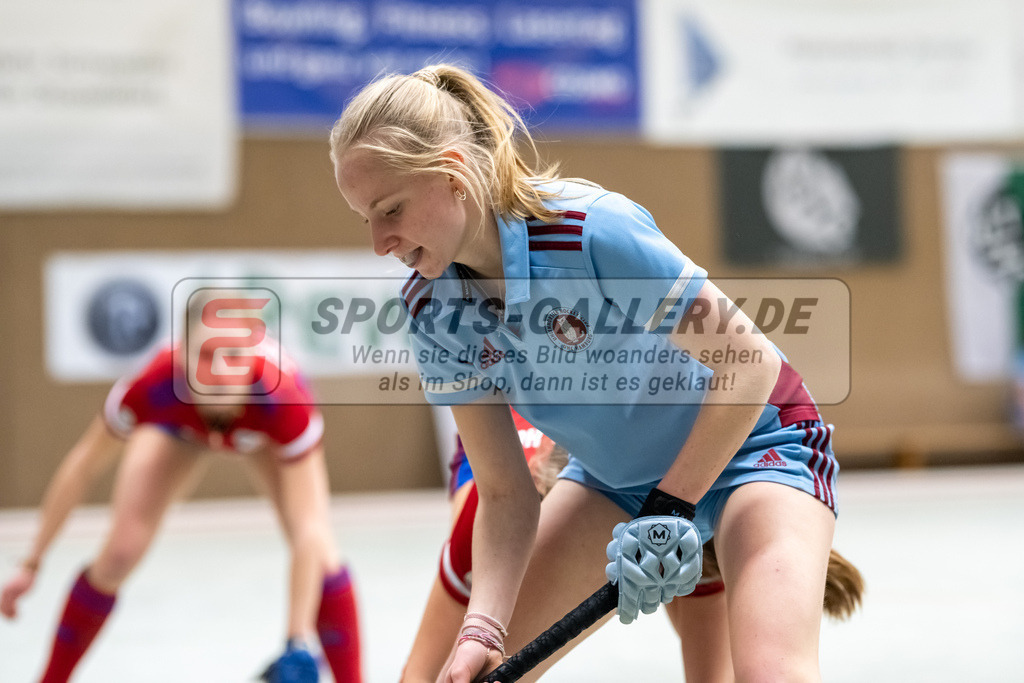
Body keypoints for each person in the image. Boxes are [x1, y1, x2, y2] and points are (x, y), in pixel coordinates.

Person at [331, 62, 851, 682]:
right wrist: (482, 628)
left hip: (760, 444)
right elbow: (503, 491)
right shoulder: (429, 310)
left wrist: (670, 506)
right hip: (615, 481)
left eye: (390, 208)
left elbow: (749, 363)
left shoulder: (589, 229)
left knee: (771, 674)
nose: (379, 241)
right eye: (365, 218)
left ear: (454, 173)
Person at [0, 306, 362, 683]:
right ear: (182, 356)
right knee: (120, 553)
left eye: (234, 356)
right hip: (180, 431)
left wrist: (296, 640)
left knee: (322, 560)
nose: (221, 371)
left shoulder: (284, 400)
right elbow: (83, 466)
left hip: (261, 436)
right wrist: (31, 563)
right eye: (206, 356)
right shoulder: (152, 386)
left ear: (252, 354)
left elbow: (309, 528)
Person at [403, 414, 863, 683]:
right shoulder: (483, 526)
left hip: (655, 498)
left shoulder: (684, 546)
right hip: (511, 446)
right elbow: (419, 675)